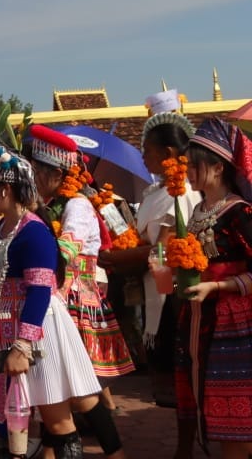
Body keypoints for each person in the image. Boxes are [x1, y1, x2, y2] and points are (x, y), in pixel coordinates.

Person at [0, 127, 112, 459]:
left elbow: (38, 291)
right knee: (27, 418)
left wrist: (22, 345)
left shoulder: (33, 231)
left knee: (58, 418)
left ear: (4, 190)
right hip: (15, 329)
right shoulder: (5, 228)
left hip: (38, 331)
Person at [99, 97, 200, 411]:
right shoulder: (156, 193)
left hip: (174, 296)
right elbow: (144, 240)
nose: (143, 156)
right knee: (166, 379)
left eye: (147, 150)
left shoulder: (181, 192)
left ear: (168, 154)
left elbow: (163, 250)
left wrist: (118, 259)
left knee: (180, 378)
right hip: (152, 288)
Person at [29, 124, 135, 415]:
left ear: (56, 174)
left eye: (36, 173)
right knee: (68, 381)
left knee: (81, 379)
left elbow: (68, 248)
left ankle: (102, 435)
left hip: (75, 296)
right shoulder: (47, 205)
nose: (33, 180)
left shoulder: (77, 205)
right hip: (61, 293)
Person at [174, 118, 252, 459]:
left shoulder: (239, 212)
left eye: (195, 165)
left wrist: (219, 286)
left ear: (218, 166)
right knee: (210, 406)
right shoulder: (197, 211)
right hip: (198, 318)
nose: (188, 171)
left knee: (235, 415)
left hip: (234, 324)